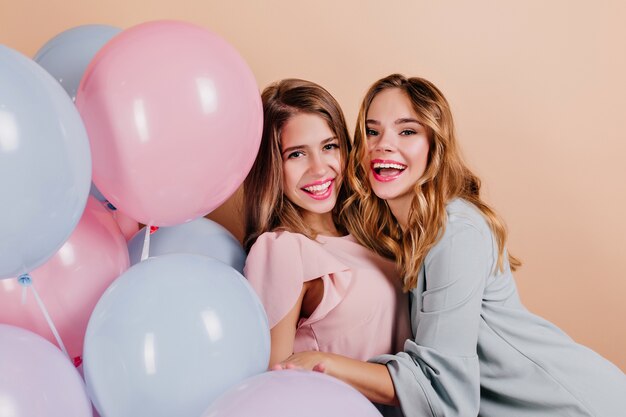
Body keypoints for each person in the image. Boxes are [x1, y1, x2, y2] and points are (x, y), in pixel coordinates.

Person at [277, 74, 626, 417]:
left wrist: (325, 364)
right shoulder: (395, 235)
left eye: (407, 131)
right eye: (372, 131)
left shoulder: (456, 230)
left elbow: (445, 395)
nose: (383, 144)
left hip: (575, 405)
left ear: (434, 145)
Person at [242, 79, 411, 375]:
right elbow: (271, 382)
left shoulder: (372, 232)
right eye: (296, 153)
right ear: (272, 167)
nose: (319, 168)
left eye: (329, 146)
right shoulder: (282, 248)